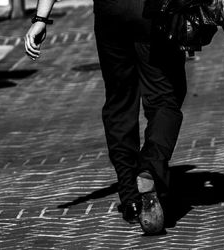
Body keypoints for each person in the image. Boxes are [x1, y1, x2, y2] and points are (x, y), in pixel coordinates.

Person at [25, 0, 187, 235]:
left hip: (110, 14)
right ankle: (150, 167)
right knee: (165, 98)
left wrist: (40, 20)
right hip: (153, 14)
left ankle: (130, 198)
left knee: (120, 102)